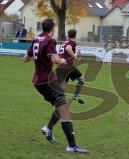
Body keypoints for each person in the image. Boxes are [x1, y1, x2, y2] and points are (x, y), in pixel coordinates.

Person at [22, 18, 88, 153]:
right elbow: (54, 59)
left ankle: (49, 128)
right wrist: (62, 61)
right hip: (47, 81)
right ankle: (71, 145)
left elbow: (26, 59)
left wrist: (43, 59)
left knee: (63, 104)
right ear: (52, 28)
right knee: (64, 108)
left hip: (38, 81)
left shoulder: (36, 39)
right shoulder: (50, 40)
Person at [56, 29, 85, 104]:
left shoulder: (64, 42)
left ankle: (61, 101)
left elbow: (65, 51)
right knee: (81, 79)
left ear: (68, 35)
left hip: (60, 66)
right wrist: (75, 56)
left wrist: (76, 57)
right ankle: (75, 96)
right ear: (75, 35)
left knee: (63, 85)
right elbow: (68, 48)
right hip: (68, 66)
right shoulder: (72, 42)